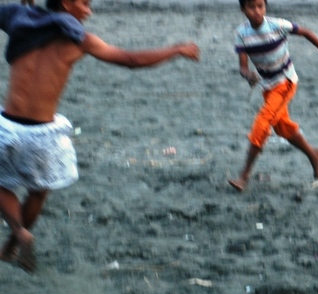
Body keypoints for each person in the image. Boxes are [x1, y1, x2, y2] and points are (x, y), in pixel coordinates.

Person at [0, 0, 200, 272]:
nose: (89, 11)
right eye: (84, 3)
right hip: (42, 134)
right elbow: (131, 60)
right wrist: (176, 49)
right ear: (67, 4)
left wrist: (27, 7)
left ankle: (17, 233)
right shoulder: (81, 41)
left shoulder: (20, 23)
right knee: (39, 189)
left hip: (7, 126)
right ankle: (16, 239)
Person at [227, 0, 318, 193]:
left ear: (265, 6)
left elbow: (306, 32)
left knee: (262, 124)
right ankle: (313, 154)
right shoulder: (241, 34)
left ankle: (243, 176)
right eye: (251, 7)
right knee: (281, 126)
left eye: (260, 6)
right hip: (268, 86)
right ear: (242, 9)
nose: (257, 11)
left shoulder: (277, 25)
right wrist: (248, 76)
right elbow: (243, 67)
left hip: (286, 81)